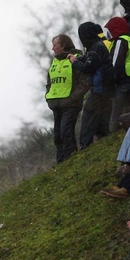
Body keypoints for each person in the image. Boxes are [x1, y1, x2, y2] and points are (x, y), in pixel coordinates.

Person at [69, 22, 115, 149]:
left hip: (99, 89)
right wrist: (79, 58)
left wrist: (74, 62)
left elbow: (88, 67)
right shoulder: (96, 46)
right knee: (101, 116)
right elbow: (89, 59)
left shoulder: (96, 48)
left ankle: (85, 145)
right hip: (105, 89)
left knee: (89, 116)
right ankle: (105, 138)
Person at [45, 34, 88, 163]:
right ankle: (61, 164)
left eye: (55, 45)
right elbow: (49, 83)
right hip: (56, 105)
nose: (52, 48)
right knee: (58, 137)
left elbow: (84, 83)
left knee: (66, 133)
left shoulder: (77, 59)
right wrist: (48, 97)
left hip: (71, 105)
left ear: (63, 45)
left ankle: (72, 160)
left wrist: (71, 99)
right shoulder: (54, 61)